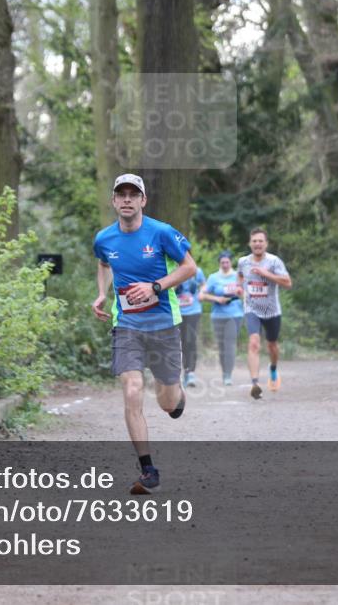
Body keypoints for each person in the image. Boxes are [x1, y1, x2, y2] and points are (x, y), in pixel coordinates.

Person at [92, 173, 197, 494]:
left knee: (168, 402)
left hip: (163, 323)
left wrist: (154, 286)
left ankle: (175, 395)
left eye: (132, 194)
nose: (126, 199)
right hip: (127, 326)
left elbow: (189, 267)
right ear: (113, 201)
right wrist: (101, 294)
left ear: (142, 200)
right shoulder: (104, 239)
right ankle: (148, 469)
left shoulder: (162, 232)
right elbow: (103, 264)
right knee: (133, 389)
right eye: (120, 194)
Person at [237, 228, 292, 399]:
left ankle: (273, 369)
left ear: (266, 244)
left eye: (261, 241)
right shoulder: (243, 262)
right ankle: (255, 384)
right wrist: (240, 288)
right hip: (252, 309)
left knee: (272, 346)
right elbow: (239, 276)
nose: (257, 244)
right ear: (250, 243)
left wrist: (265, 274)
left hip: (272, 310)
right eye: (254, 241)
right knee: (254, 343)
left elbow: (288, 283)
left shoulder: (274, 262)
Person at [199, 251, 244, 386]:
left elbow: (246, 293)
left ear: (231, 262)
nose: (225, 264)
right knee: (222, 346)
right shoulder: (213, 277)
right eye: (222, 262)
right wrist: (216, 298)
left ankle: (228, 375)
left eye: (227, 262)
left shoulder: (238, 276)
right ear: (219, 263)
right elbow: (201, 295)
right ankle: (225, 372)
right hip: (218, 315)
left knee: (229, 344)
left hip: (235, 314)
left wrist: (241, 294)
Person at [177, 264, 206, 387]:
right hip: (176, 312)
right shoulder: (171, 269)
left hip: (193, 311)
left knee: (190, 341)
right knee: (178, 343)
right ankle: (178, 373)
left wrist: (202, 293)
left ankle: (190, 373)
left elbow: (204, 284)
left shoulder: (196, 270)